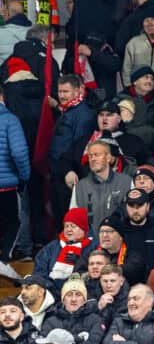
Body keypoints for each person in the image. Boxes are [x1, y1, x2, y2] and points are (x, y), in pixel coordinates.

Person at [49, 74, 96, 229]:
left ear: (77, 92)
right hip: (58, 173)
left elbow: (78, 147)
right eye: (59, 91)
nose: (61, 95)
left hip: (69, 176)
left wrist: (69, 170)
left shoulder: (83, 115)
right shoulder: (67, 111)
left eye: (66, 92)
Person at [41, 274, 104, 344]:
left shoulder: (95, 319)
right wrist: (78, 341)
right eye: (69, 295)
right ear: (63, 299)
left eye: (78, 295)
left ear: (85, 299)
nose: (74, 299)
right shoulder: (50, 321)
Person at [70, 140, 132, 236]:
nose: (93, 159)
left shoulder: (126, 182)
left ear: (108, 158)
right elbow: (73, 220)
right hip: (90, 244)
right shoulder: (80, 187)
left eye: (97, 155)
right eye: (90, 156)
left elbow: (133, 214)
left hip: (120, 241)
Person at [0, 83, 30, 262]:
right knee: (13, 224)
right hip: (6, 187)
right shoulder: (10, 120)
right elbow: (18, 152)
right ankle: (4, 262)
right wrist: (24, 176)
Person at [33, 208, 95, 290]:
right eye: (66, 226)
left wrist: (79, 263)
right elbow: (39, 270)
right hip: (49, 289)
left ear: (83, 228)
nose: (69, 229)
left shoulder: (94, 247)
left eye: (73, 226)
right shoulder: (52, 247)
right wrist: (48, 285)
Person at [76, 216, 145, 286]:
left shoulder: (132, 254)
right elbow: (77, 273)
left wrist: (104, 270)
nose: (104, 235)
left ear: (120, 236)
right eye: (101, 231)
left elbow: (132, 272)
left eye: (110, 231)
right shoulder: (92, 252)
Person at [118, 188, 154, 277]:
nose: (135, 210)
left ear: (148, 206)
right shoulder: (119, 230)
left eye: (140, 205)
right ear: (126, 207)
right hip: (124, 282)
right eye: (131, 205)